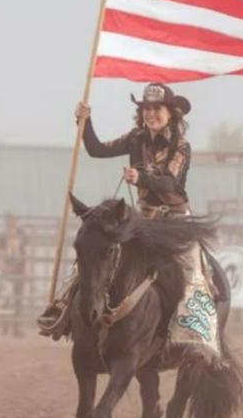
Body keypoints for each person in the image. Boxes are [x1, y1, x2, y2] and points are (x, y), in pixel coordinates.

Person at [36, 82, 228, 339]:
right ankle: (64, 308)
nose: (151, 113)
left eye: (157, 108)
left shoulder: (180, 145)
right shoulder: (135, 138)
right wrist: (85, 121)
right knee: (96, 250)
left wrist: (140, 177)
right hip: (144, 218)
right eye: (146, 108)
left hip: (175, 219)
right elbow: (96, 150)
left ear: (171, 113)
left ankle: (194, 330)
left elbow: (170, 181)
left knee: (191, 268)